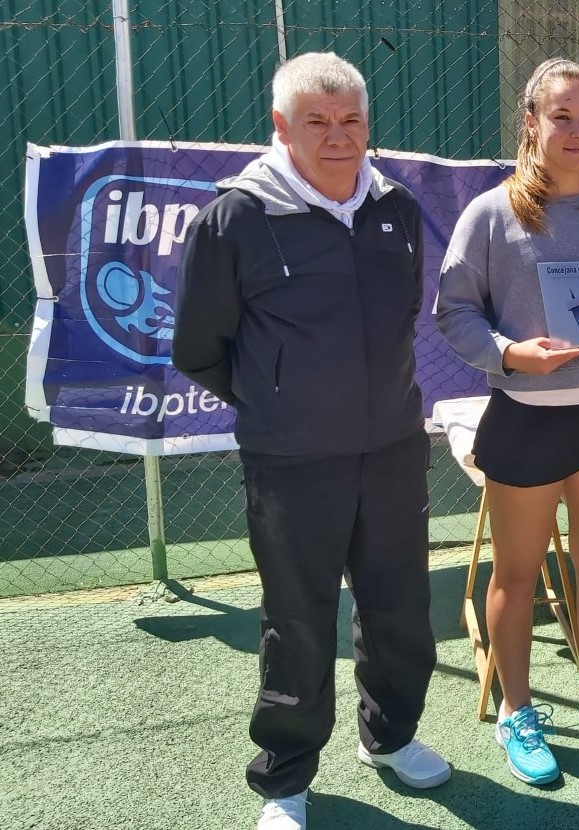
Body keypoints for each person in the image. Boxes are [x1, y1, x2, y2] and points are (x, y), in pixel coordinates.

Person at [172, 52, 449, 830]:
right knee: (297, 620)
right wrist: (282, 403)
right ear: (281, 127)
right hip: (291, 463)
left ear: (368, 124)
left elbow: (399, 325)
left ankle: (389, 738)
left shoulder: (394, 207)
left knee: (398, 610)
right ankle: (287, 781)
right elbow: (199, 347)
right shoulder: (235, 217)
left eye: (351, 120)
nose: (338, 137)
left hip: (393, 451)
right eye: (318, 122)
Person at [435, 58, 579, 785]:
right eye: (562, 117)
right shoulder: (492, 213)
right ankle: (519, 712)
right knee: (518, 576)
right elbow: (453, 310)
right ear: (531, 123)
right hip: (525, 422)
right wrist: (508, 355)